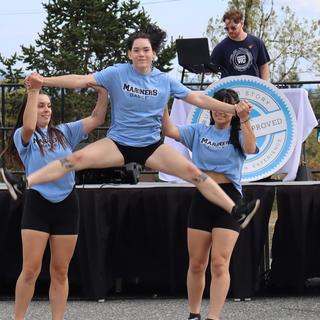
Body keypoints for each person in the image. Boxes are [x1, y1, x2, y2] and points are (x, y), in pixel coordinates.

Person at [1, 24, 259, 229]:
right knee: (75, 158)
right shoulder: (116, 72)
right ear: (129, 54)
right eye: (136, 50)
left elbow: (198, 98)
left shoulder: (164, 81)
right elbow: (80, 80)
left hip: (151, 147)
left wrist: (233, 109)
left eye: (146, 49)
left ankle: (236, 211)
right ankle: (24, 183)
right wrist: (43, 80)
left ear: (153, 54)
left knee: (195, 174)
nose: (141, 54)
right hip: (119, 143)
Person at [0, 74, 108, 320]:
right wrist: (33, 91)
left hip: (67, 205)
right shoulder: (24, 136)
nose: (46, 109)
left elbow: (97, 118)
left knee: (60, 271)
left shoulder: (64, 132)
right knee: (30, 270)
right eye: (41, 105)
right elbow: (28, 126)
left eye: (48, 106)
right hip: (38, 204)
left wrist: (103, 93)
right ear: (31, 107)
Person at [161, 88, 257, 320]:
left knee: (219, 263)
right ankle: (194, 314)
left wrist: (245, 120)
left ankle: (213, 317)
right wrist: (161, 100)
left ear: (233, 110)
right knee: (196, 263)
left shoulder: (239, 132)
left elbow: (251, 148)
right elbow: (170, 130)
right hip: (202, 198)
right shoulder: (198, 131)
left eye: (226, 105)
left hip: (229, 199)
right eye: (216, 105)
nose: (220, 110)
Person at [210, 9, 270, 80]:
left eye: (233, 28)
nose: (230, 31)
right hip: (230, 89)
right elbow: (210, 68)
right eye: (227, 28)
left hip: (253, 88)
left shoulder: (257, 42)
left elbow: (263, 66)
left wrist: (264, 87)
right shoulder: (221, 47)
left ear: (242, 23)